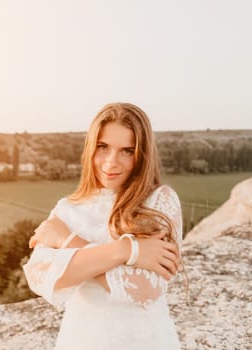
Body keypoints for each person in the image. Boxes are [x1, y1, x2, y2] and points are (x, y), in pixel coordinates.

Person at [22, 102, 184, 349]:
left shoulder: (159, 201)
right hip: (81, 339)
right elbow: (41, 276)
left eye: (127, 151)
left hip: (143, 341)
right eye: (103, 147)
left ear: (142, 155)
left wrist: (69, 243)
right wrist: (129, 251)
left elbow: (145, 288)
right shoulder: (68, 207)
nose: (111, 162)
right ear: (90, 148)